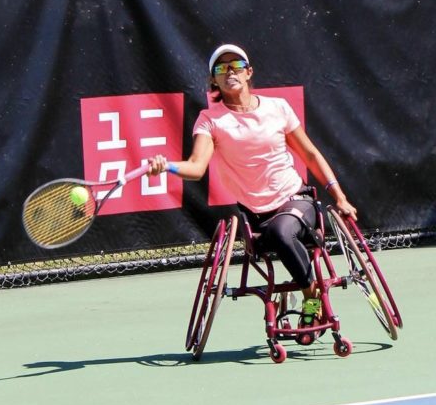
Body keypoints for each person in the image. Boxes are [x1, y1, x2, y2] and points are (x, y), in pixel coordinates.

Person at [148, 43, 356, 326]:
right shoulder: (210, 120)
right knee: (277, 234)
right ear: (214, 80)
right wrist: (166, 166)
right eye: (221, 68)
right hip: (255, 215)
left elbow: (310, 154)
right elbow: (196, 168)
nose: (229, 71)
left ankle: (311, 295)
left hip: (295, 199)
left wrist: (339, 197)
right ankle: (306, 287)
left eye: (236, 65)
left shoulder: (277, 108)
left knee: (284, 233)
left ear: (248, 72)